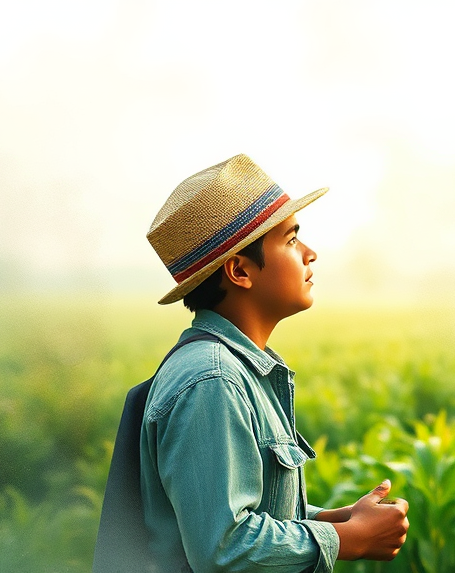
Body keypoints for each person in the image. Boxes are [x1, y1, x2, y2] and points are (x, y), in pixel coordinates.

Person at [139, 154, 409, 572]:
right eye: (291, 240)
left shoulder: (234, 368)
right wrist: (346, 539)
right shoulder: (214, 380)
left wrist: (333, 521)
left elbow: (247, 511)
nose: (310, 254)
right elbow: (224, 548)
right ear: (240, 271)